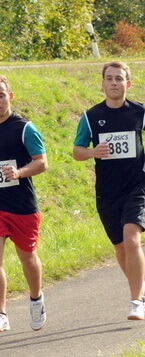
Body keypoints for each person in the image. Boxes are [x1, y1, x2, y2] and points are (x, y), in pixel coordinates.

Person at [0, 75, 48, 333]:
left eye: (1, 95)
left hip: (22, 205)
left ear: (10, 96)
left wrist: (19, 173)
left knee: (28, 257)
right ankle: (0, 314)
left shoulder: (25, 128)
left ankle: (36, 298)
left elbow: (42, 162)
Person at [73, 61, 145, 320]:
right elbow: (77, 151)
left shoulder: (140, 112)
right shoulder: (90, 117)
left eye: (119, 78)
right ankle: (141, 289)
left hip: (138, 186)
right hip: (107, 191)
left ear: (129, 83)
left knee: (131, 236)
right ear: (103, 83)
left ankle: (136, 300)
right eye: (110, 79)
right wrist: (93, 152)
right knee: (120, 247)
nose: (114, 83)